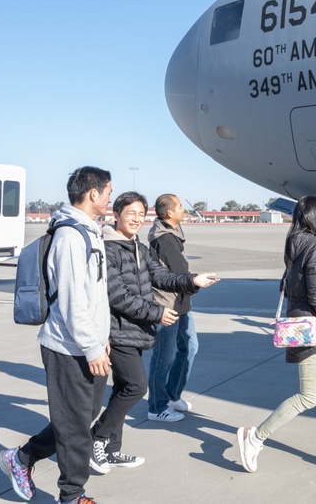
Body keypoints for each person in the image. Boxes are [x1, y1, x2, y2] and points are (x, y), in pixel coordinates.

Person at [0, 166, 113, 504]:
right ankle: (72, 495)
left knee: (75, 419)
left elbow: (94, 294)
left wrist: (101, 337)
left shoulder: (89, 232)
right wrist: (92, 346)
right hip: (68, 347)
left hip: (88, 342)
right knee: (75, 427)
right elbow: (73, 300)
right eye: (107, 191)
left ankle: (19, 459)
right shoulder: (70, 237)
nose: (109, 197)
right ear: (93, 194)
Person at [90, 192, 219, 474]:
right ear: (116, 215)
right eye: (130, 213)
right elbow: (118, 296)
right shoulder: (108, 248)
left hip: (134, 329)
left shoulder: (137, 246)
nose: (136, 219)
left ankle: (112, 450)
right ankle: (96, 438)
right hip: (116, 331)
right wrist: (157, 313)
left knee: (124, 389)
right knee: (136, 387)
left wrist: (191, 280)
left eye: (140, 214)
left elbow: (160, 276)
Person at [236, 195, 316, 472]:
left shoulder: (295, 243)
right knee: (308, 396)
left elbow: (289, 284)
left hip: (307, 323)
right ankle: (255, 437)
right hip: (313, 328)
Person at [146, 193, 202, 422]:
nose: (183, 209)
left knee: (190, 347)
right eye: (179, 206)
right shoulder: (166, 239)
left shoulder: (173, 234)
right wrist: (197, 282)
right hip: (167, 306)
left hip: (180, 303)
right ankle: (157, 407)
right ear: (169, 213)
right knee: (164, 357)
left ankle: (171, 395)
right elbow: (179, 273)